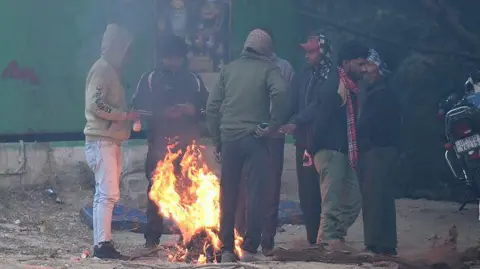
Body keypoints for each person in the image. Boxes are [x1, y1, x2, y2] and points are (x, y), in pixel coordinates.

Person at [206, 28, 289, 262]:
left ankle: (227, 251)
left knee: (228, 195)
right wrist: (273, 124)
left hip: (230, 140)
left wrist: (217, 139)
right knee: (256, 194)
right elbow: (281, 92)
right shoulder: (269, 69)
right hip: (256, 139)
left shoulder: (228, 70)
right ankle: (251, 249)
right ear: (266, 50)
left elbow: (212, 108)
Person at [130, 35, 208, 249]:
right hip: (159, 145)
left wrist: (192, 110)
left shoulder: (194, 79)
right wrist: (163, 113)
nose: (173, 62)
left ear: (183, 58)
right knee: (156, 189)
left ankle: (189, 235)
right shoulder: (150, 78)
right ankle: (152, 238)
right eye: (169, 58)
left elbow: (208, 108)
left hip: (187, 146)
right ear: (162, 58)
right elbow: (137, 108)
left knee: (188, 190)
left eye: (177, 58)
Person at [84, 23, 139, 260]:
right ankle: (102, 246)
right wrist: (123, 116)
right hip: (102, 140)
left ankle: (103, 243)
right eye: (126, 49)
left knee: (107, 194)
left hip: (110, 140)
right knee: (106, 195)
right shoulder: (102, 70)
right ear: (117, 48)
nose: (128, 55)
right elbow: (95, 104)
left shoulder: (109, 70)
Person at [309, 40, 369, 251]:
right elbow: (320, 119)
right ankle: (327, 243)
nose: (364, 69)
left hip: (344, 153)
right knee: (332, 203)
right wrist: (311, 149)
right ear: (346, 62)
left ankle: (331, 237)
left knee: (353, 202)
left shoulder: (350, 87)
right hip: (329, 152)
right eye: (360, 64)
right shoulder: (335, 86)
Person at [234, 50, 294, 256]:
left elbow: (288, 100)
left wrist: (278, 124)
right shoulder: (243, 67)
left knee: (269, 189)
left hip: (273, 137)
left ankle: (267, 241)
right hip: (248, 135)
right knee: (243, 186)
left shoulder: (283, 68)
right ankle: (241, 237)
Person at [279, 34, 333, 246]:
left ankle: (327, 238)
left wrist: (296, 121)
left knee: (327, 192)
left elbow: (320, 105)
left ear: (324, 52)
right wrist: (276, 123)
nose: (307, 56)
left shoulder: (332, 78)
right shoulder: (303, 76)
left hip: (324, 141)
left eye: (312, 51)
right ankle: (313, 239)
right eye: (306, 52)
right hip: (304, 142)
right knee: (307, 190)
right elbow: (291, 103)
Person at [357, 49, 399, 256]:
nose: (364, 70)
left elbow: (370, 124)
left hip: (379, 150)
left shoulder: (382, 93)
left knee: (374, 196)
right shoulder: (381, 90)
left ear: (380, 68)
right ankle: (386, 244)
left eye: (369, 65)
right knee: (382, 196)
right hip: (383, 149)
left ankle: (374, 243)